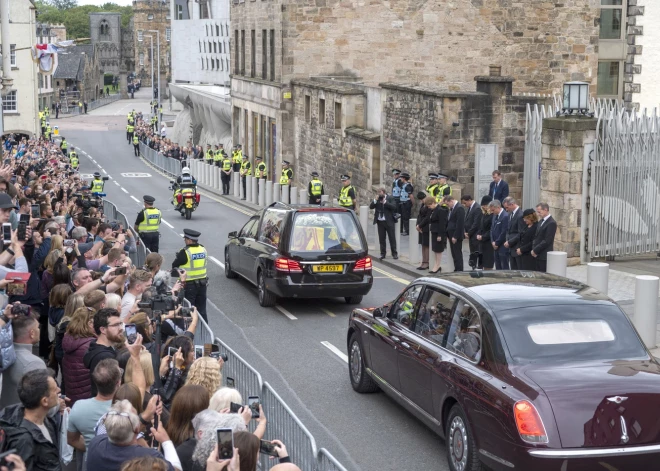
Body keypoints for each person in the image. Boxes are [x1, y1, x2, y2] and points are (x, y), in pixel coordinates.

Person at [85, 400, 179, 471]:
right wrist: (166, 441)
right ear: (137, 429)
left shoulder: (95, 443)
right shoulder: (150, 458)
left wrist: (145, 416)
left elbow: (121, 430)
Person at [0, 370, 64, 471]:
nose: (59, 390)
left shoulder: (47, 421)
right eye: (55, 389)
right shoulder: (23, 440)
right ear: (45, 401)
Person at [67, 359, 122, 459]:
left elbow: (71, 440)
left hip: (91, 461)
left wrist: (90, 447)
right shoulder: (126, 409)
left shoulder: (79, 407)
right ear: (118, 383)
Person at [0, 314, 46, 409]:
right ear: (32, 333)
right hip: (22, 421)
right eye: (38, 327)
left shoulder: (4, 356)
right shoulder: (33, 363)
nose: (39, 330)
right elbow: (42, 403)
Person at [83, 308, 124, 396]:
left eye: (120, 323)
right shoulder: (104, 357)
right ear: (103, 330)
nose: (121, 328)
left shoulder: (95, 347)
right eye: (116, 325)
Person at [171, 229, 208, 323]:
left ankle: (189, 330)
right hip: (203, 284)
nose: (184, 240)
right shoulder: (203, 249)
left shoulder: (185, 252)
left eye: (186, 239)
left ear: (190, 240)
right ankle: (203, 333)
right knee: (202, 310)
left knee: (189, 309)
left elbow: (175, 266)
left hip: (189, 285)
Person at [62, 307, 96, 406]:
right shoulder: (90, 345)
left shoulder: (69, 338)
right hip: (87, 398)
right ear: (90, 323)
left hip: (72, 395)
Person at [370, 188, 398, 260]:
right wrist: (375, 200)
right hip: (380, 221)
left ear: (384, 192)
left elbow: (394, 207)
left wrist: (385, 202)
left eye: (380, 192)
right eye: (378, 192)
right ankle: (383, 254)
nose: (379, 193)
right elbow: (371, 206)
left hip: (389, 221)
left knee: (392, 238)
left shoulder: (390, 198)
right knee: (382, 239)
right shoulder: (377, 199)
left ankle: (394, 253)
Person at [532, 202, 557, 272]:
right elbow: (536, 236)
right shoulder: (541, 221)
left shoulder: (551, 223)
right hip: (537, 254)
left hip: (544, 255)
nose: (538, 214)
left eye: (539, 212)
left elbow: (547, 240)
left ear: (545, 210)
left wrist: (535, 250)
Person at [444, 195, 465, 272]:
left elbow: (460, 224)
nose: (447, 206)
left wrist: (455, 236)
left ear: (451, 201)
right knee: (454, 254)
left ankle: (459, 270)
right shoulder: (452, 208)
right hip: (450, 234)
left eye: (447, 204)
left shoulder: (459, 208)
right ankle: (456, 268)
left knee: (457, 254)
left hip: (455, 235)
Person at [427, 196, 448, 273]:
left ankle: (437, 265)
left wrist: (440, 235)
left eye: (429, 206)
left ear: (433, 203)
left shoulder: (440, 210)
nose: (429, 208)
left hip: (438, 233)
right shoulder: (434, 210)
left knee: (438, 250)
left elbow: (442, 224)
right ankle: (436, 265)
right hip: (434, 231)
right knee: (435, 249)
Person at [503, 197, 524, 270]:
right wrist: (507, 240)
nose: (506, 210)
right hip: (511, 247)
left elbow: (520, 233)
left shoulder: (520, 215)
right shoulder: (510, 214)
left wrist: (510, 242)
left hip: (517, 247)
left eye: (507, 207)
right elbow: (508, 230)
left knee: (518, 269)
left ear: (512, 204)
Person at [489, 200, 510, 270]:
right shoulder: (495, 216)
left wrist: (497, 243)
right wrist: (492, 241)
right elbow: (491, 229)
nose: (492, 212)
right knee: (497, 266)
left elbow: (504, 232)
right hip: (495, 245)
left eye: (493, 210)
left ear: (498, 207)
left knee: (504, 266)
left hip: (502, 245)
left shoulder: (505, 216)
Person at [476, 195, 494, 270]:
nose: (484, 207)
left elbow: (491, 229)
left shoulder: (492, 215)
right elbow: (481, 226)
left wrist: (483, 236)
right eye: (483, 205)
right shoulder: (484, 214)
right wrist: (479, 234)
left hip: (488, 242)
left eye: (485, 205)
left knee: (488, 263)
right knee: (481, 262)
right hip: (482, 242)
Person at [414, 192, 431, 270]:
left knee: (426, 245)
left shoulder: (429, 205)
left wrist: (420, 225)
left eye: (422, 199)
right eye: (421, 200)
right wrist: (417, 225)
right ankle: (423, 261)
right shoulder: (423, 205)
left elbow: (427, 218)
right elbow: (419, 215)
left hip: (426, 227)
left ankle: (427, 262)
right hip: (421, 227)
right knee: (422, 245)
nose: (422, 201)